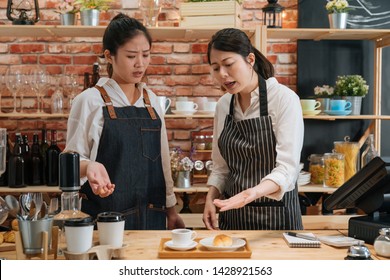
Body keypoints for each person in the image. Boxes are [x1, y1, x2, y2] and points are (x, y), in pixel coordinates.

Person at [65, 13, 184, 230]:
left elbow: (163, 161)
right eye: (131, 56)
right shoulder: (89, 101)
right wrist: (89, 166)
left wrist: (171, 210)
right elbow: (69, 163)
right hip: (106, 220)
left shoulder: (152, 102)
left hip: (153, 218)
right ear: (109, 56)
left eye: (146, 55)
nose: (140, 64)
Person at [202, 28, 304, 230]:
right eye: (215, 68)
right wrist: (210, 198)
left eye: (229, 64)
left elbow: (287, 169)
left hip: (276, 216)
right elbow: (221, 167)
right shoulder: (224, 105)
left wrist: (251, 194)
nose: (222, 74)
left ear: (250, 59)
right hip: (233, 215)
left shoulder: (284, 99)